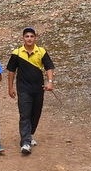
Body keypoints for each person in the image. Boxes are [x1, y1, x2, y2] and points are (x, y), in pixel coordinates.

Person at [6, 27, 55, 155]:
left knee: (36, 113)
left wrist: (50, 82)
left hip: (38, 89)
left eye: (31, 36)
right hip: (23, 89)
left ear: (35, 38)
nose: (29, 38)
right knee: (25, 114)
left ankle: (29, 134)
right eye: (27, 36)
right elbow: (11, 71)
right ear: (23, 38)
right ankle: (26, 142)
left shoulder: (41, 51)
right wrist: (10, 87)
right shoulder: (17, 53)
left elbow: (49, 67)